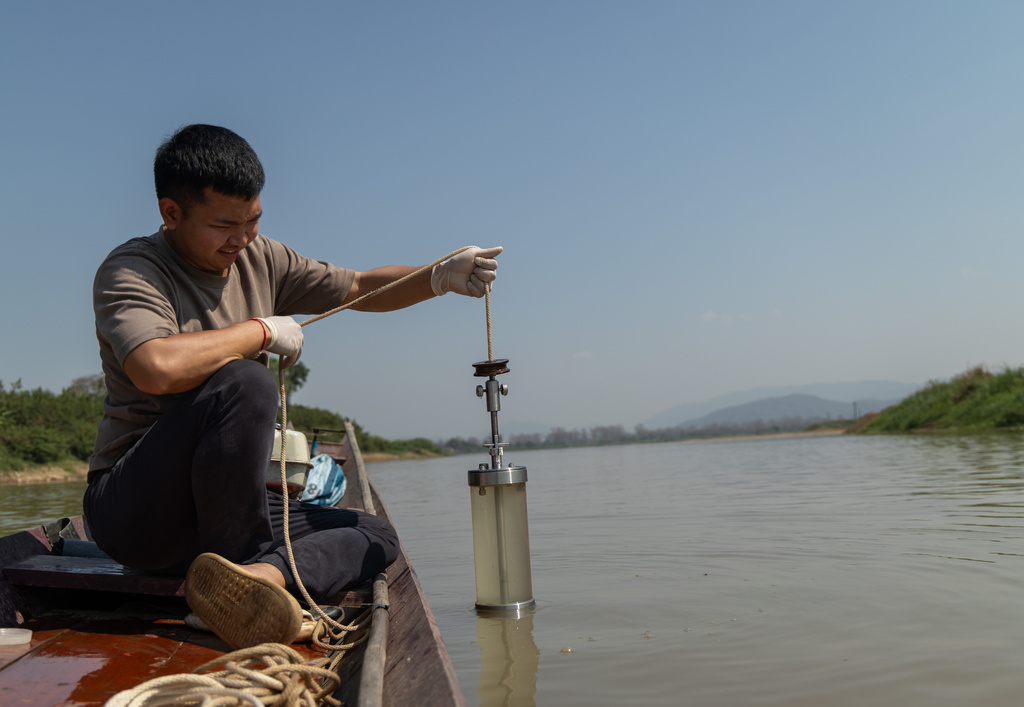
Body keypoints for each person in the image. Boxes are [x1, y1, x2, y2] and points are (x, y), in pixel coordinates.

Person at [83, 124, 502, 650]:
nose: (242, 239)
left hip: (226, 511)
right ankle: (245, 567)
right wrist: (259, 331)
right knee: (244, 380)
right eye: (224, 225)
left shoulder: (260, 258)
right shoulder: (133, 270)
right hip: (140, 514)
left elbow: (356, 287)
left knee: (375, 535)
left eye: (253, 220)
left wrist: (439, 275)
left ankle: (259, 583)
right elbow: (155, 367)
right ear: (171, 213)